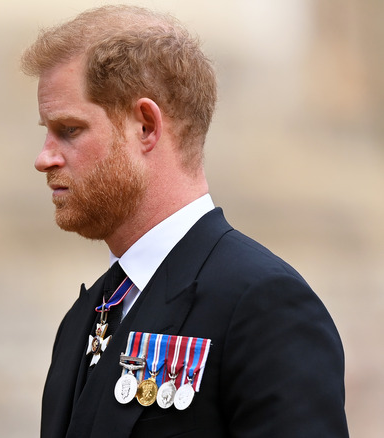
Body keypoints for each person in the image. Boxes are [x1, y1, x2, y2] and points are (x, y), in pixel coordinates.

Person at [20, 5, 348, 437]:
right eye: (46, 131)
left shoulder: (263, 306)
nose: (45, 158)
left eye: (69, 130)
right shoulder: (87, 315)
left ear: (146, 127)